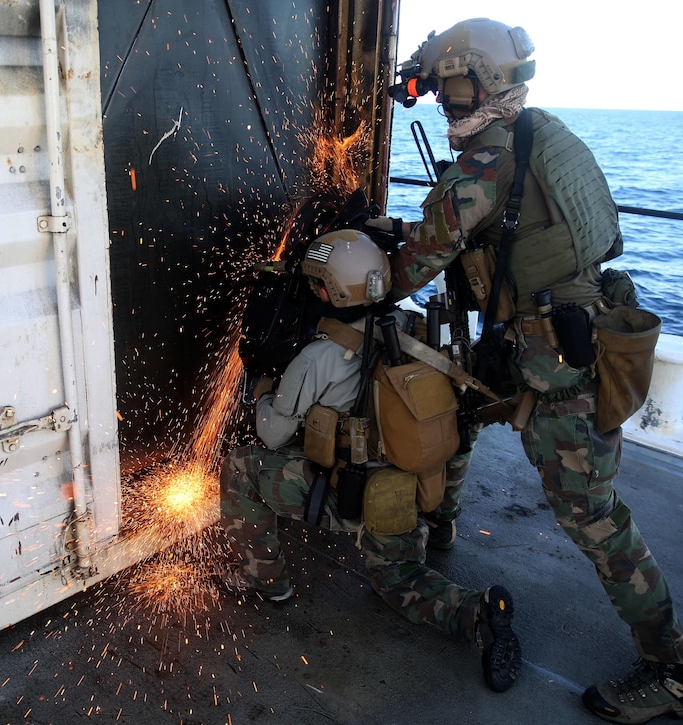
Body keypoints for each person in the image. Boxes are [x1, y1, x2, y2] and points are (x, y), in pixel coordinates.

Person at [371, 17, 683, 724]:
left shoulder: (485, 164)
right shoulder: (535, 134)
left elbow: (415, 265)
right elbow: (468, 232)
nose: (441, 101)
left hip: (556, 361)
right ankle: (444, 530)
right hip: (535, 340)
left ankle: (674, 666)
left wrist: (368, 255)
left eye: (449, 86)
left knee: (591, 515)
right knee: (457, 419)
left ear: (480, 81)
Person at [218, 228, 521, 692]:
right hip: (420, 486)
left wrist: (262, 392)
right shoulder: (415, 331)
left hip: (362, 497)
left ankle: (266, 578)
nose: (314, 290)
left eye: (318, 283)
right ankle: (473, 606)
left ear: (332, 290)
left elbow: (274, 434)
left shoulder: (318, 357)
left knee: (240, 465)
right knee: (404, 573)